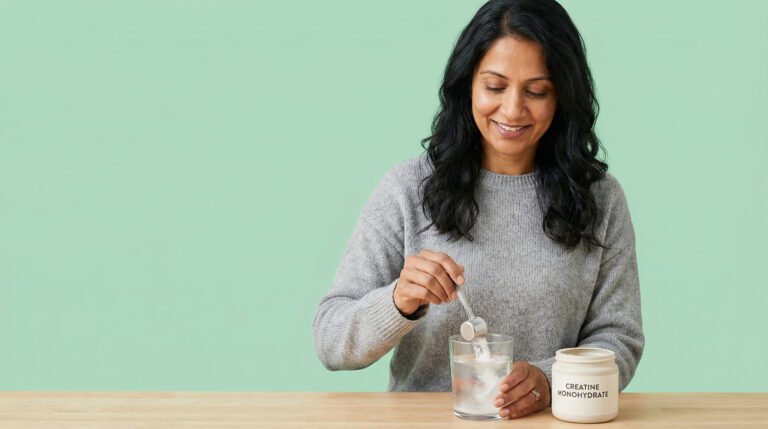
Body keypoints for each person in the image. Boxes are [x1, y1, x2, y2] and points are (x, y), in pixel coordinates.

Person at [312, 0, 644, 420]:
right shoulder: (406, 190)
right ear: (467, 84)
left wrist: (547, 382)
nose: (512, 110)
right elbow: (330, 339)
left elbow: (619, 340)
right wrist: (398, 302)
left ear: (562, 97)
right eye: (494, 86)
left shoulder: (601, 199)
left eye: (537, 91)